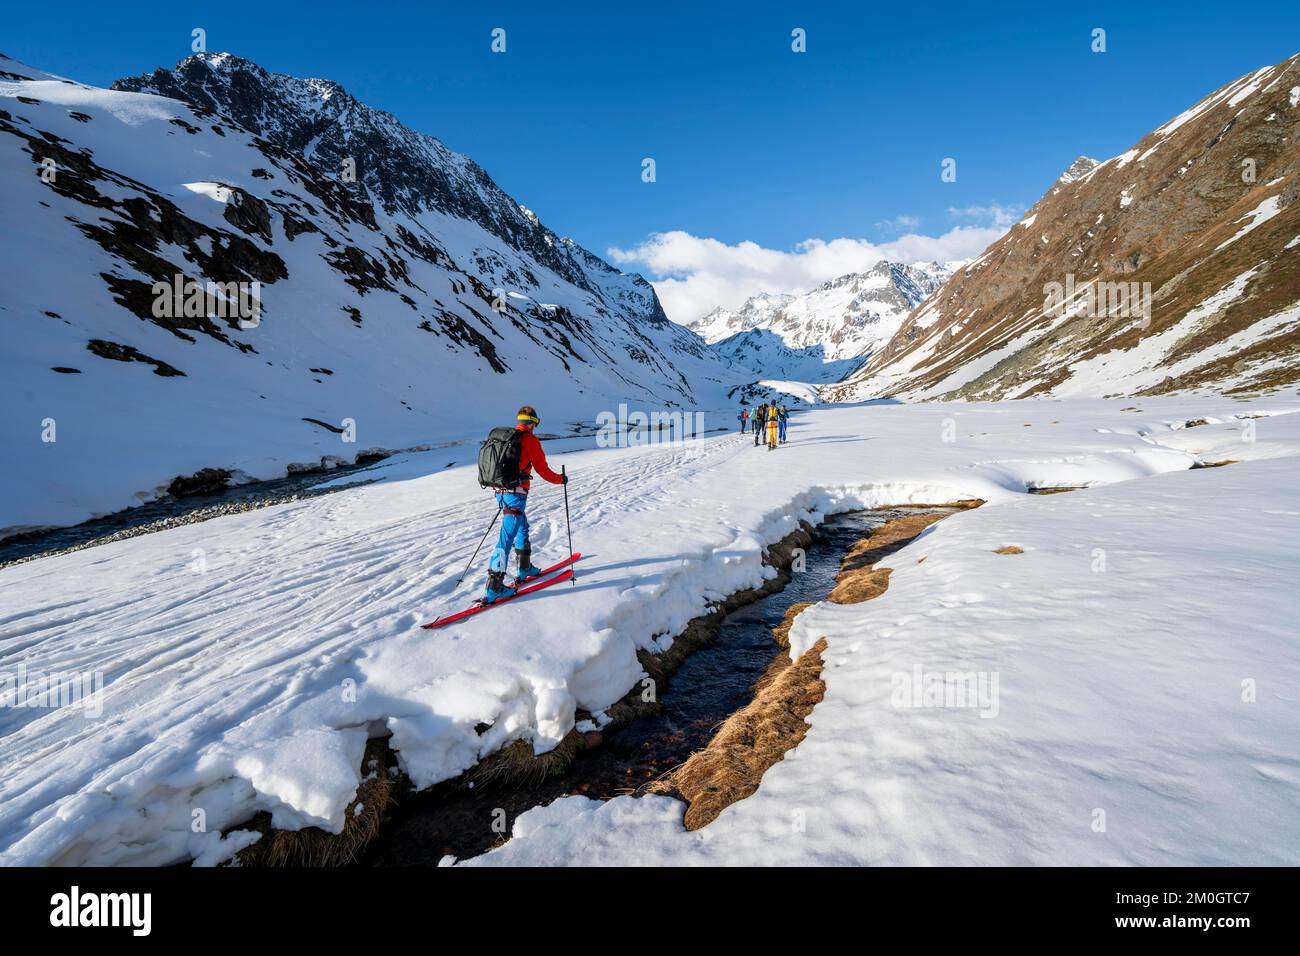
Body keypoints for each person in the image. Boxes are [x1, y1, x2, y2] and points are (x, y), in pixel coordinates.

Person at [484, 405, 567, 602]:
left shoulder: (507, 437)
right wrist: (560, 479)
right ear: (534, 423)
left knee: (522, 527)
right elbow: (543, 470)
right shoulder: (529, 440)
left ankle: (524, 568)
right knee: (505, 538)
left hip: (501, 492)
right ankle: (494, 586)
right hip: (516, 493)